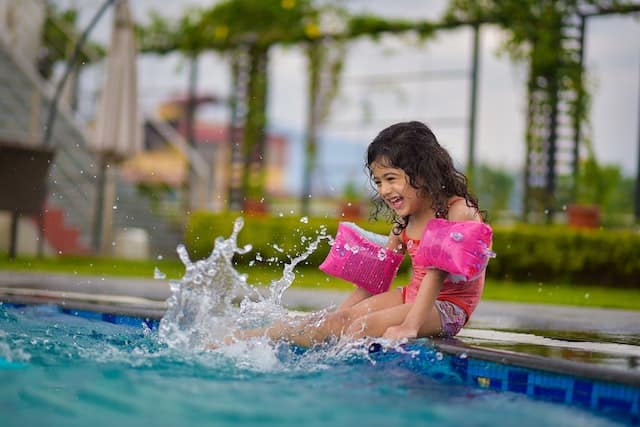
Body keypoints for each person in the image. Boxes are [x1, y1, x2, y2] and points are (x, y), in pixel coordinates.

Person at [215, 121, 487, 348]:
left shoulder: (457, 211)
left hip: (447, 306)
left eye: (391, 179)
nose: (383, 190)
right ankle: (242, 341)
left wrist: (409, 327)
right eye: (378, 181)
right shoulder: (405, 220)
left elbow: (435, 274)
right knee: (335, 322)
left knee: (361, 327)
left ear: (424, 173)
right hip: (411, 296)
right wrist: (337, 317)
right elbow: (376, 280)